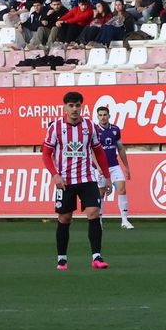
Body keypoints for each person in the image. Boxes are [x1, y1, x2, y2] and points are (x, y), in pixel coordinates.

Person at [42, 90, 113, 271]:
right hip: (65, 180)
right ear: (65, 107)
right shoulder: (55, 127)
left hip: (87, 178)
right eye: (71, 105)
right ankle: (62, 259)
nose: (74, 109)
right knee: (65, 218)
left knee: (94, 213)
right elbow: (45, 154)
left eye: (77, 105)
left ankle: (96, 257)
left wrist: (106, 176)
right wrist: (54, 174)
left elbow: (98, 151)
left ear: (82, 106)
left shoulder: (89, 126)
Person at [95, 104, 134, 230]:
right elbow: (91, 151)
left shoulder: (115, 130)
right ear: (97, 116)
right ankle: (99, 221)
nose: (102, 117)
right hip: (99, 168)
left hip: (114, 165)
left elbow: (120, 148)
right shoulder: (94, 131)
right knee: (101, 193)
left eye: (105, 115)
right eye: (100, 115)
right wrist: (97, 167)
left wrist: (126, 167)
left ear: (109, 116)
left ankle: (124, 220)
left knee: (122, 189)